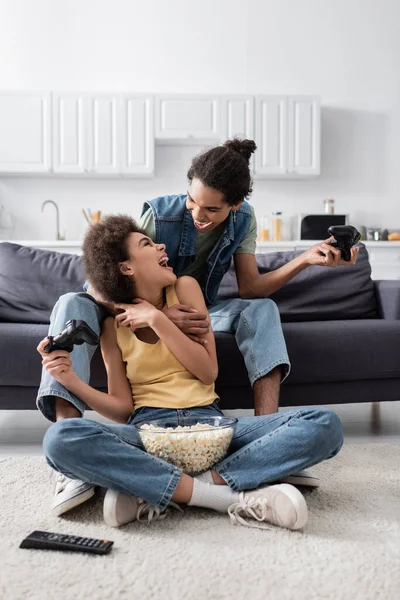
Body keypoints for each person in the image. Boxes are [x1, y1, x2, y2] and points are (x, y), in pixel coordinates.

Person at [36, 138, 358, 516]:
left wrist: (305, 259)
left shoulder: (218, 248)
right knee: (61, 424)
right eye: (192, 201)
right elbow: (102, 283)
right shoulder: (154, 221)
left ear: (234, 206)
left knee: (318, 412)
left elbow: (247, 294)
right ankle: (241, 479)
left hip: (208, 388)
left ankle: (173, 480)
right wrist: (142, 315)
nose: (196, 214)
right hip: (148, 423)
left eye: (211, 209)